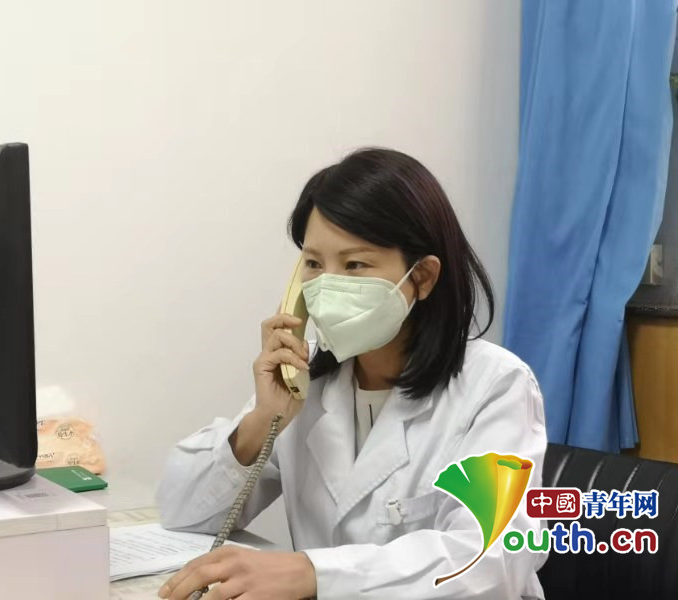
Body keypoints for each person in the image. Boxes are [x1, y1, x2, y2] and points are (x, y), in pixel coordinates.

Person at [156, 148, 548, 600]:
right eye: (313, 264)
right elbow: (181, 511)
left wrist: (312, 573)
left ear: (422, 277)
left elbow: (493, 560)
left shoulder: (495, 385)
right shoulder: (308, 380)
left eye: (355, 264)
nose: (327, 284)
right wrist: (263, 419)